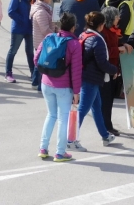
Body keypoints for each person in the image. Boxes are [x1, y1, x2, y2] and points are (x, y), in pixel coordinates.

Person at [34, 12, 83, 163]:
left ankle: (43, 148)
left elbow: (36, 59)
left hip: (46, 83)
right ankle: (60, 153)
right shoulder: (74, 44)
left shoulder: (49, 37)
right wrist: (76, 92)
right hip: (64, 87)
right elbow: (76, 71)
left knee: (51, 115)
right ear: (73, 27)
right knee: (63, 119)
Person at [71, 11, 118, 152]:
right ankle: (70, 139)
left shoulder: (84, 35)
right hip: (91, 78)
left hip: (87, 76)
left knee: (97, 107)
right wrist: (114, 70)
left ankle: (105, 135)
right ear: (101, 25)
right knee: (82, 110)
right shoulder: (97, 39)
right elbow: (102, 63)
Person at [100, 6, 132, 136]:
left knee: (109, 100)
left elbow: (115, 44)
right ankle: (106, 126)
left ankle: (107, 125)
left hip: (113, 70)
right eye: (117, 16)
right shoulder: (104, 32)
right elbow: (105, 51)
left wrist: (123, 45)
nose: (119, 18)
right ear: (111, 18)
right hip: (107, 71)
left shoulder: (112, 31)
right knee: (106, 101)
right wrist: (118, 50)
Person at [5, 0, 37, 84]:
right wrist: (23, 20)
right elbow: (11, 12)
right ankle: (8, 72)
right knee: (13, 50)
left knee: (30, 52)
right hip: (19, 28)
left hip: (30, 27)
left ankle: (33, 73)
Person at [30, 0, 56, 91]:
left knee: (40, 63)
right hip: (42, 41)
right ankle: (38, 84)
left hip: (42, 40)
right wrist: (55, 36)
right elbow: (45, 29)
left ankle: (35, 82)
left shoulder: (45, 8)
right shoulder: (41, 11)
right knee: (42, 64)